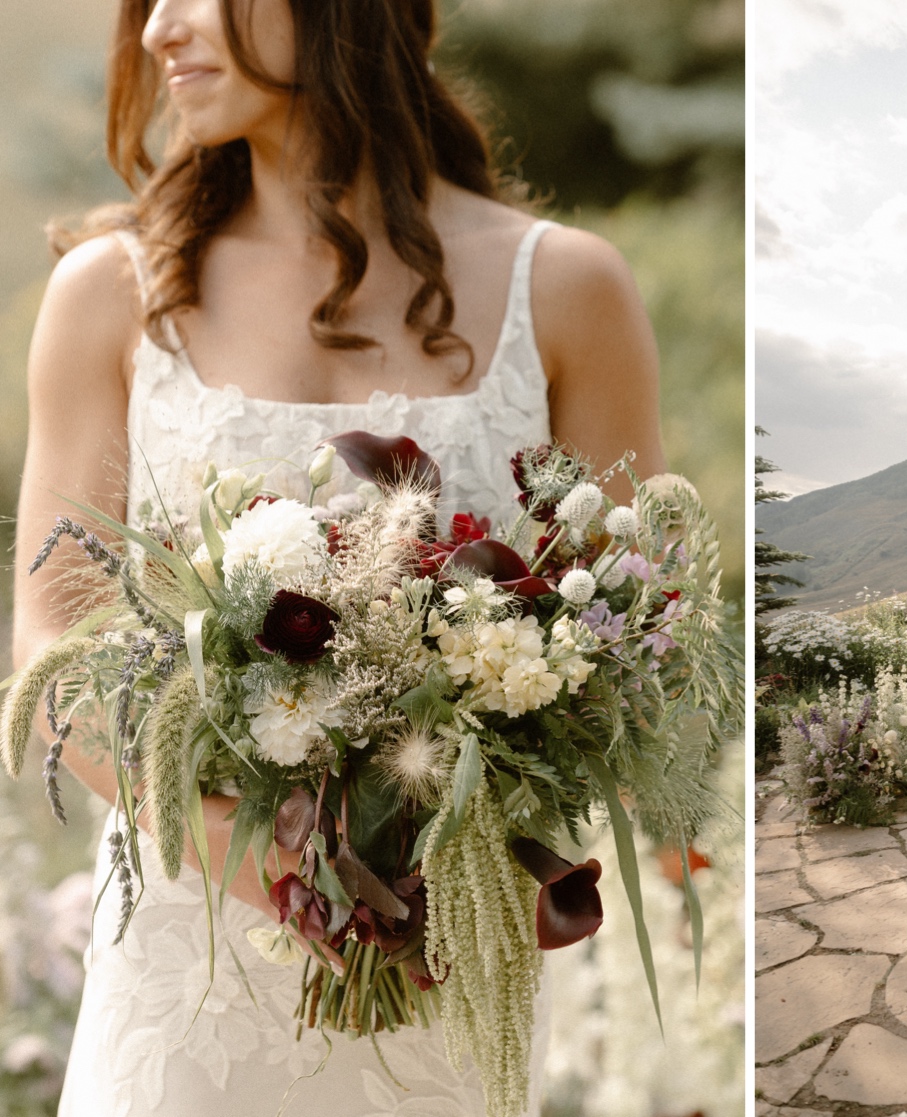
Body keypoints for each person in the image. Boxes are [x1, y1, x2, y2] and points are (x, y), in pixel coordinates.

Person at [12, 0, 666, 1112]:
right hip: (188, 962)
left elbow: (638, 632)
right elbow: (52, 647)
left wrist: (474, 779)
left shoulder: (565, 290)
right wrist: (254, 858)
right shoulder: (112, 293)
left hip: (445, 949)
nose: (164, 27)